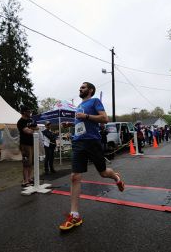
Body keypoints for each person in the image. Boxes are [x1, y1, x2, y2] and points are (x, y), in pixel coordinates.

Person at [59, 82, 125, 231]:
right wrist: (70, 124)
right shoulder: (78, 107)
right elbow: (80, 122)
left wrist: (87, 116)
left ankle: (116, 178)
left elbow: (104, 119)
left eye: (83, 87)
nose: (80, 89)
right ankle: (74, 215)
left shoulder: (95, 101)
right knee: (75, 177)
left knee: (103, 173)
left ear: (90, 90)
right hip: (78, 142)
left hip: (92, 142)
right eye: (80, 87)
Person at [17, 106, 39, 187]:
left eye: (30, 111)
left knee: (31, 162)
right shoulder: (20, 122)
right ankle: (25, 181)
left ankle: (29, 178)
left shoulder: (30, 120)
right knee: (26, 163)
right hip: (25, 145)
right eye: (28, 111)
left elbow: (37, 127)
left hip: (32, 143)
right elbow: (28, 131)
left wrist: (31, 127)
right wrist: (31, 128)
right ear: (24, 112)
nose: (30, 113)